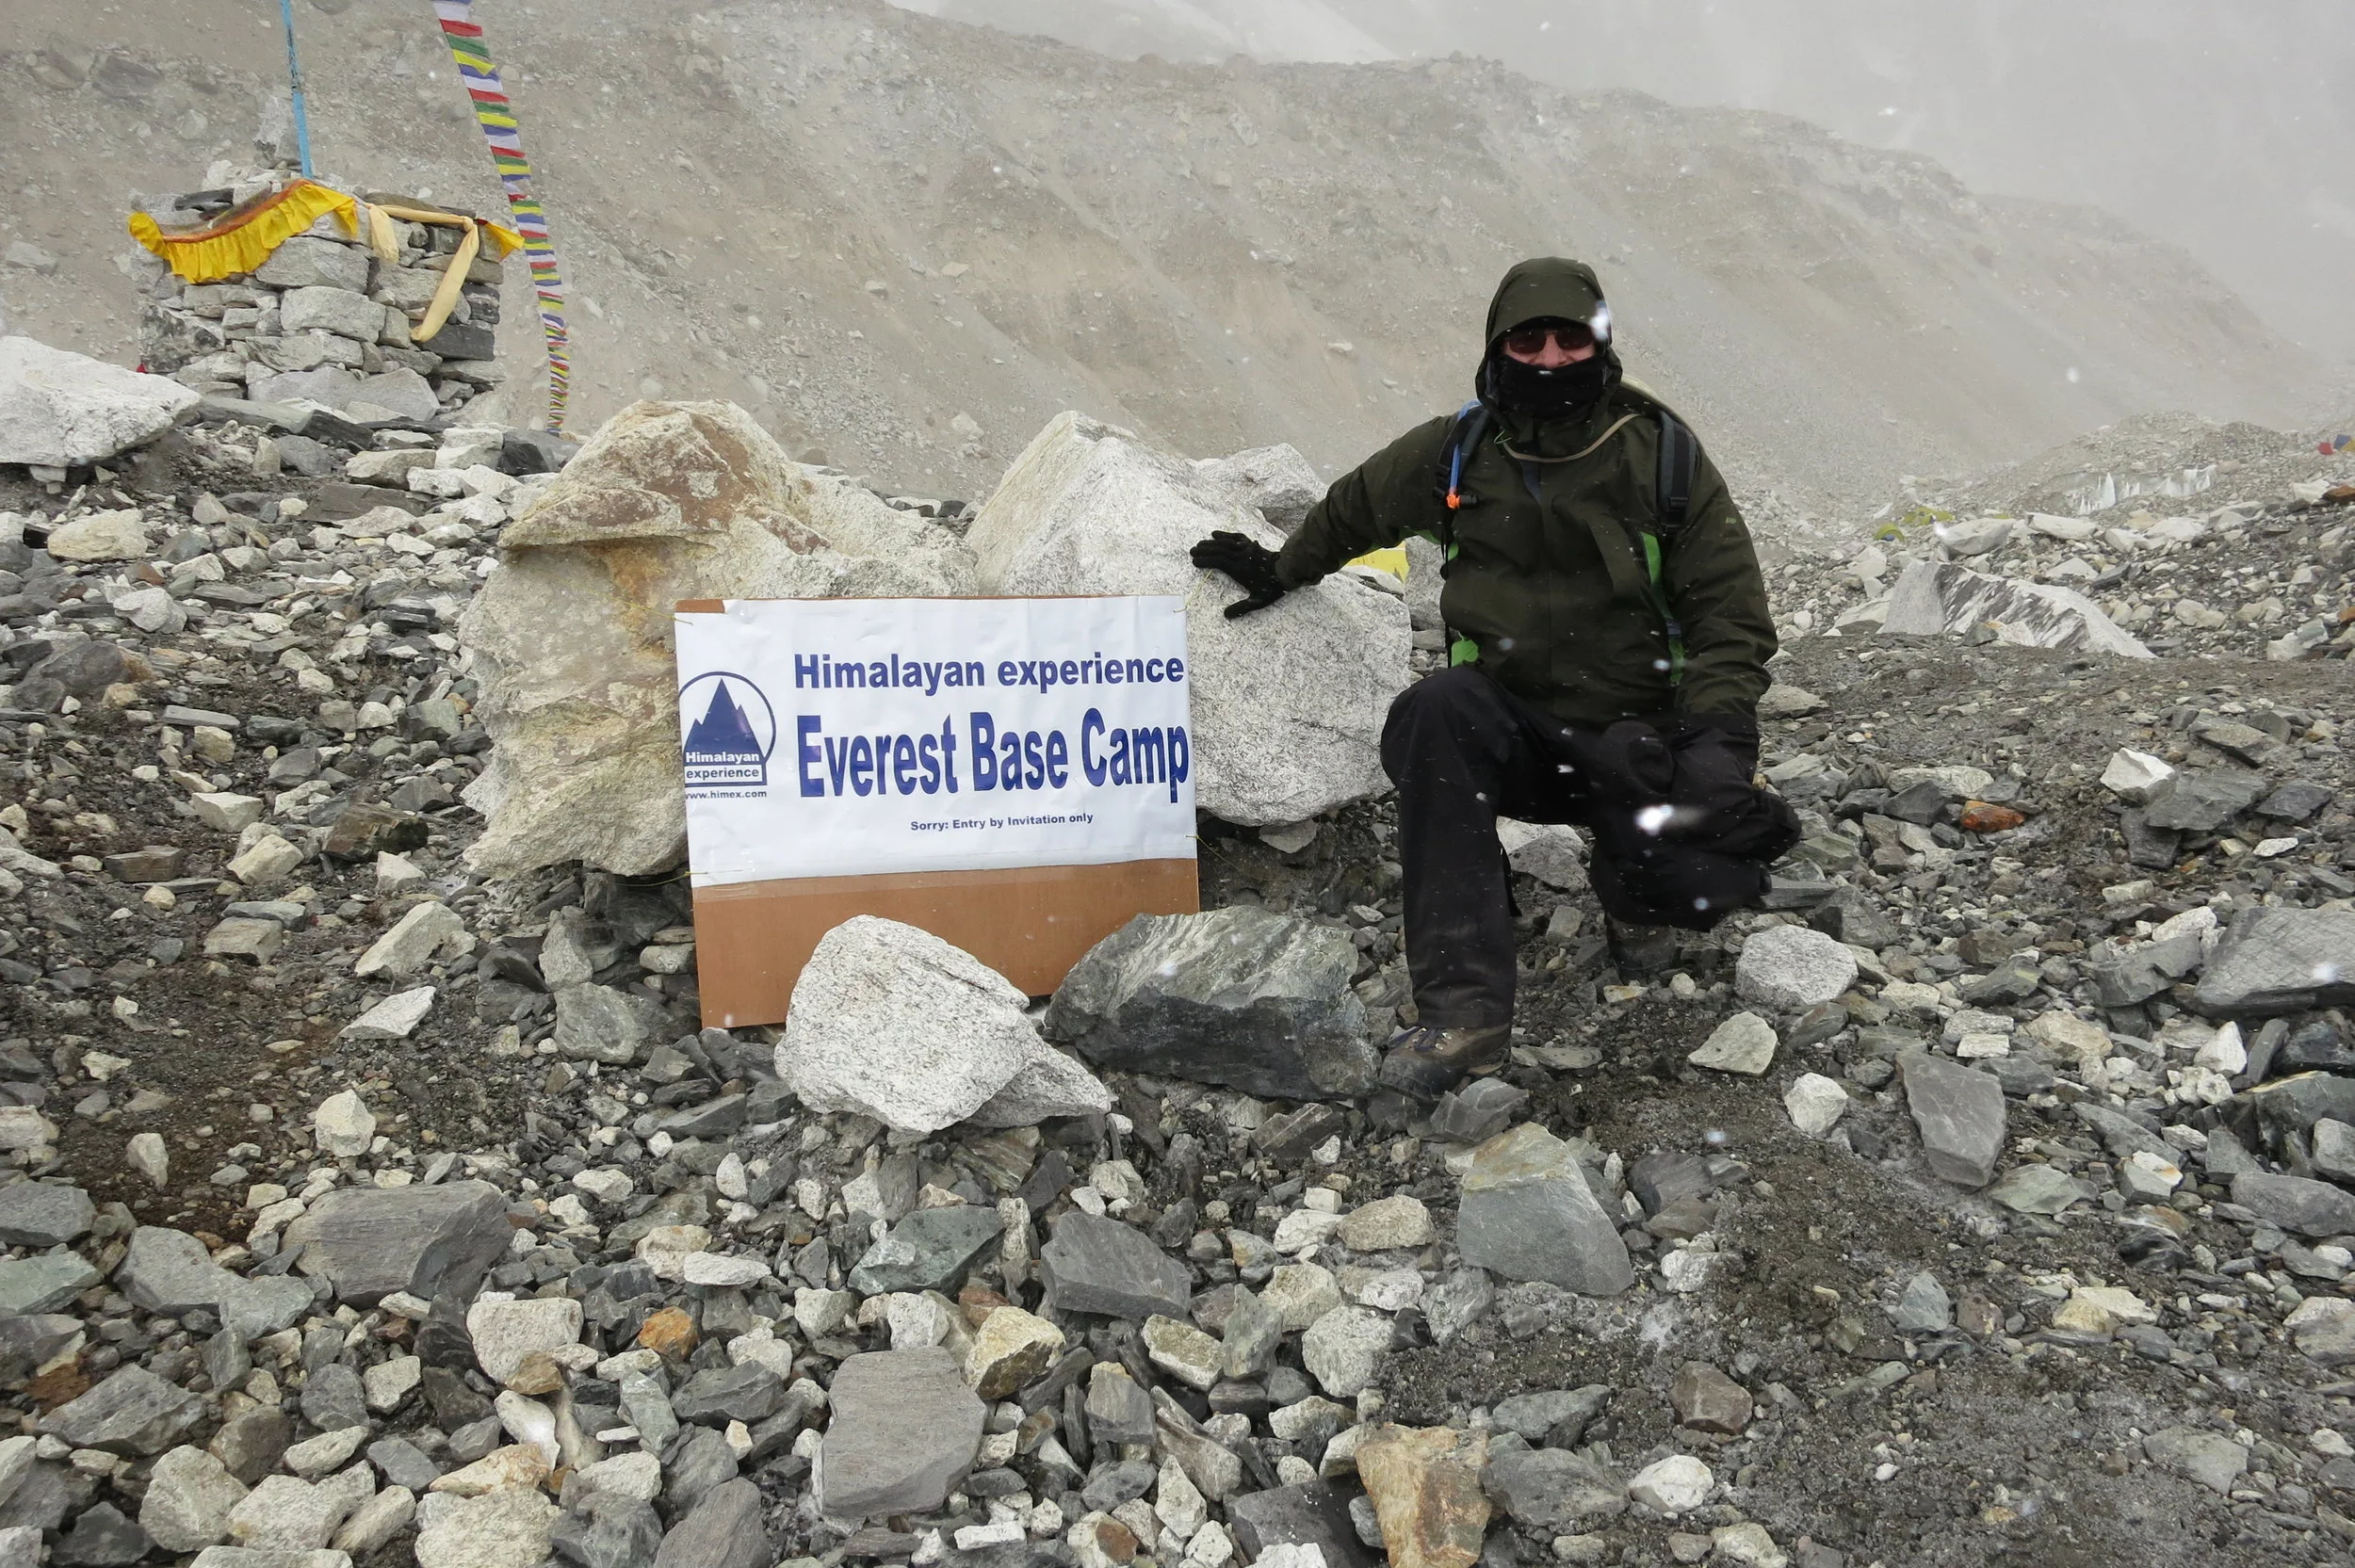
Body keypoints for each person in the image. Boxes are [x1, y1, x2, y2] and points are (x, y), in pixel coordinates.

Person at [1191, 257, 1797, 1101]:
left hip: (1639, 741)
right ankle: (1466, 1011)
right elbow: (1355, 507)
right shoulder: (1459, 451)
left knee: (1692, 882)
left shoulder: (1661, 458)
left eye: (1570, 339)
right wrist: (1281, 567)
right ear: (1497, 345)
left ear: (1601, 343)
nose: (1548, 357)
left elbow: (1730, 614)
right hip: (1511, 732)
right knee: (1434, 712)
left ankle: (1641, 900)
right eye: (1527, 339)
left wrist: (1720, 746)